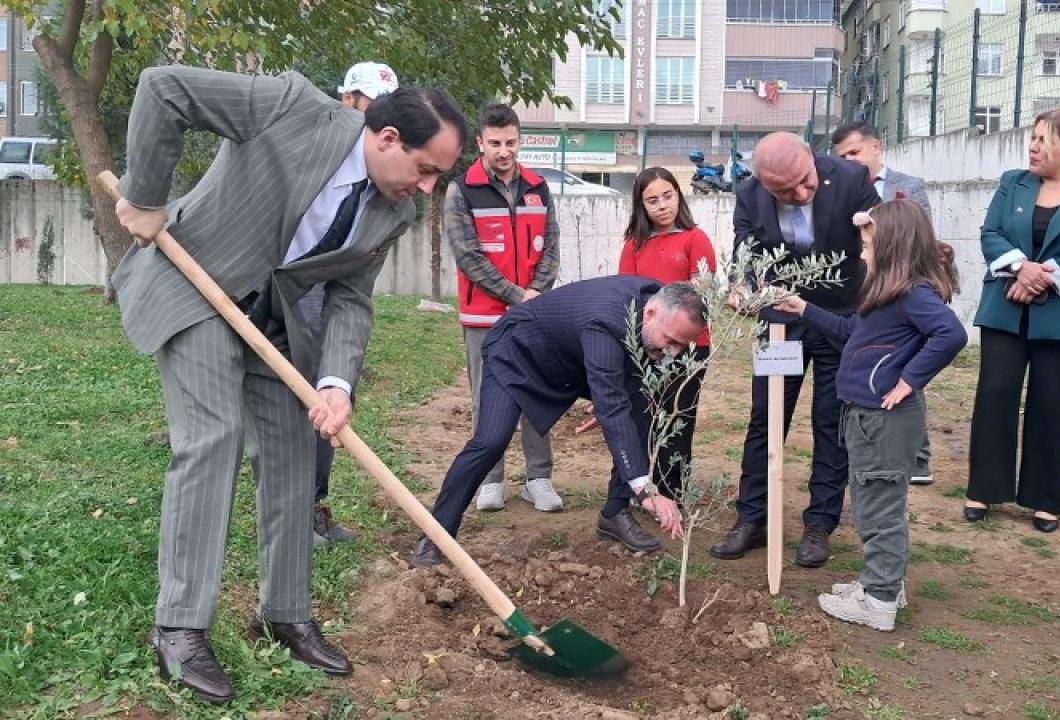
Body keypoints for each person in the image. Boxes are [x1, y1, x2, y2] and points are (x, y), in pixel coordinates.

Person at [111, 66, 465, 703]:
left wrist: (335, 384)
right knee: (213, 438)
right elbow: (164, 88)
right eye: (426, 169)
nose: (427, 187)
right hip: (196, 288)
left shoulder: (393, 212)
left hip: (271, 321)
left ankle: (285, 614)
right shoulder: (291, 107)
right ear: (387, 138)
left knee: (296, 452)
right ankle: (180, 627)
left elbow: (350, 298)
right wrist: (144, 196)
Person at [410, 278, 705, 567]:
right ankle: (436, 535)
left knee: (641, 407)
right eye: (671, 341)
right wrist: (646, 489)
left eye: (682, 345)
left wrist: (610, 402)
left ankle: (615, 512)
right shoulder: (606, 321)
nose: (673, 352)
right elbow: (613, 406)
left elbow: (625, 387)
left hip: (572, 360)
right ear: (650, 313)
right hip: (518, 353)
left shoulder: (658, 301)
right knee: (491, 441)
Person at [774, 200, 965, 632]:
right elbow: (850, 333)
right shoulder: (887, 296)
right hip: (868, 418)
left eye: (867, 245)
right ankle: (885, 583)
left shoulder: (912, 295)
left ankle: (879, 601)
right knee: (874, 503)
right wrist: (804, 309)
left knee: (878, 510)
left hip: (883, 420)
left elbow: (951, 333)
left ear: (892, 246)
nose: (862, 254)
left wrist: (909, 379)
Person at [709, 132, 880, 569]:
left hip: (840, 320)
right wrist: (741, 287)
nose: (801, 194)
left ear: (810, 157)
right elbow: (745, 256)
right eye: (785, 191)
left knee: (832, 422)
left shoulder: (851, 179)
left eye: (805, 182)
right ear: (764, 183)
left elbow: (881, 237)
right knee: (765, 419)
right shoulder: (750, 197)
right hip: (780, 322)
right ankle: (752, 517)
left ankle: (820, 523)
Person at [962, 109, 1060, 534]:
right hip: (1006, 306)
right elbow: (991, 233)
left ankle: (1044, 498)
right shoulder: (1012, 182)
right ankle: (984, 488)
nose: (1031, 147)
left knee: (1052, 402)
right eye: (1031, 138)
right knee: (995, 393)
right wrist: (1021, 268)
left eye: (1042, 140)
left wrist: (1042, 278)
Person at [445, 103, 563, 514]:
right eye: (495, 143)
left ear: (519, 141)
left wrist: (535, 292)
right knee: (486, 396)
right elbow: (468, 257)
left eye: (510, 142)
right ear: (480, 142)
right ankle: (491, 480)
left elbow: (551, 248)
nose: (503, 151)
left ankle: (538, 479)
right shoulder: (462, 190)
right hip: (484, 315)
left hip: (533, 312)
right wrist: (516, 295)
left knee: (537, 390)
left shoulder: (538, 187)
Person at [305, 61, 399, 547]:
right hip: (287, 287)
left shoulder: (382, 190)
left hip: (334, 289)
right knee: (298, 397)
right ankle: (294, 512)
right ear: (348, 101)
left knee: (331, 392)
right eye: (373, 106)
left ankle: (314, 504)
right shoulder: (315, 152)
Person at [831, 121, 936, 485]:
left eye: (854, 152)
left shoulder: (909, 186)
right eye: (842, 157)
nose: (849, 162)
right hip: (862, 290)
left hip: (900, 290)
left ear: (876, 146)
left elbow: (922, 235)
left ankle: (917, 454)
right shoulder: (840, 191)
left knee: (904, 371)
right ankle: (867, 445)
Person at [616, 167, 717, 499]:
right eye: (652, 200)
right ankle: (640, 487)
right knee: (641, 416)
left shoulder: (695, 238)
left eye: (668, 196)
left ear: (678, 196)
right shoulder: (634, 245)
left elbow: (701, 292)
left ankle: (673, 491)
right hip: (646, 345)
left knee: (678, 418)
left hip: (688, 347)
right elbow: (626, 295)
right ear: (641, 206)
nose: (662, 206)